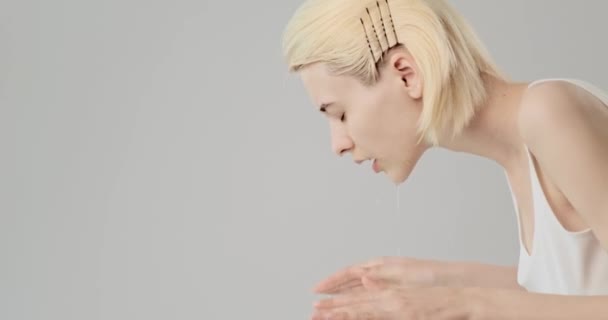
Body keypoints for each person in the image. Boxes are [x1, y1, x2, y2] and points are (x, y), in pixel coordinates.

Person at [281, 0, 608, 319]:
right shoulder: (522, 148)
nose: (337, 145)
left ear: (406, 75)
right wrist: (435, 278)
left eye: (339, 114)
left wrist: (465, 305)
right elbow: (569, 290)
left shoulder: (549, 112)